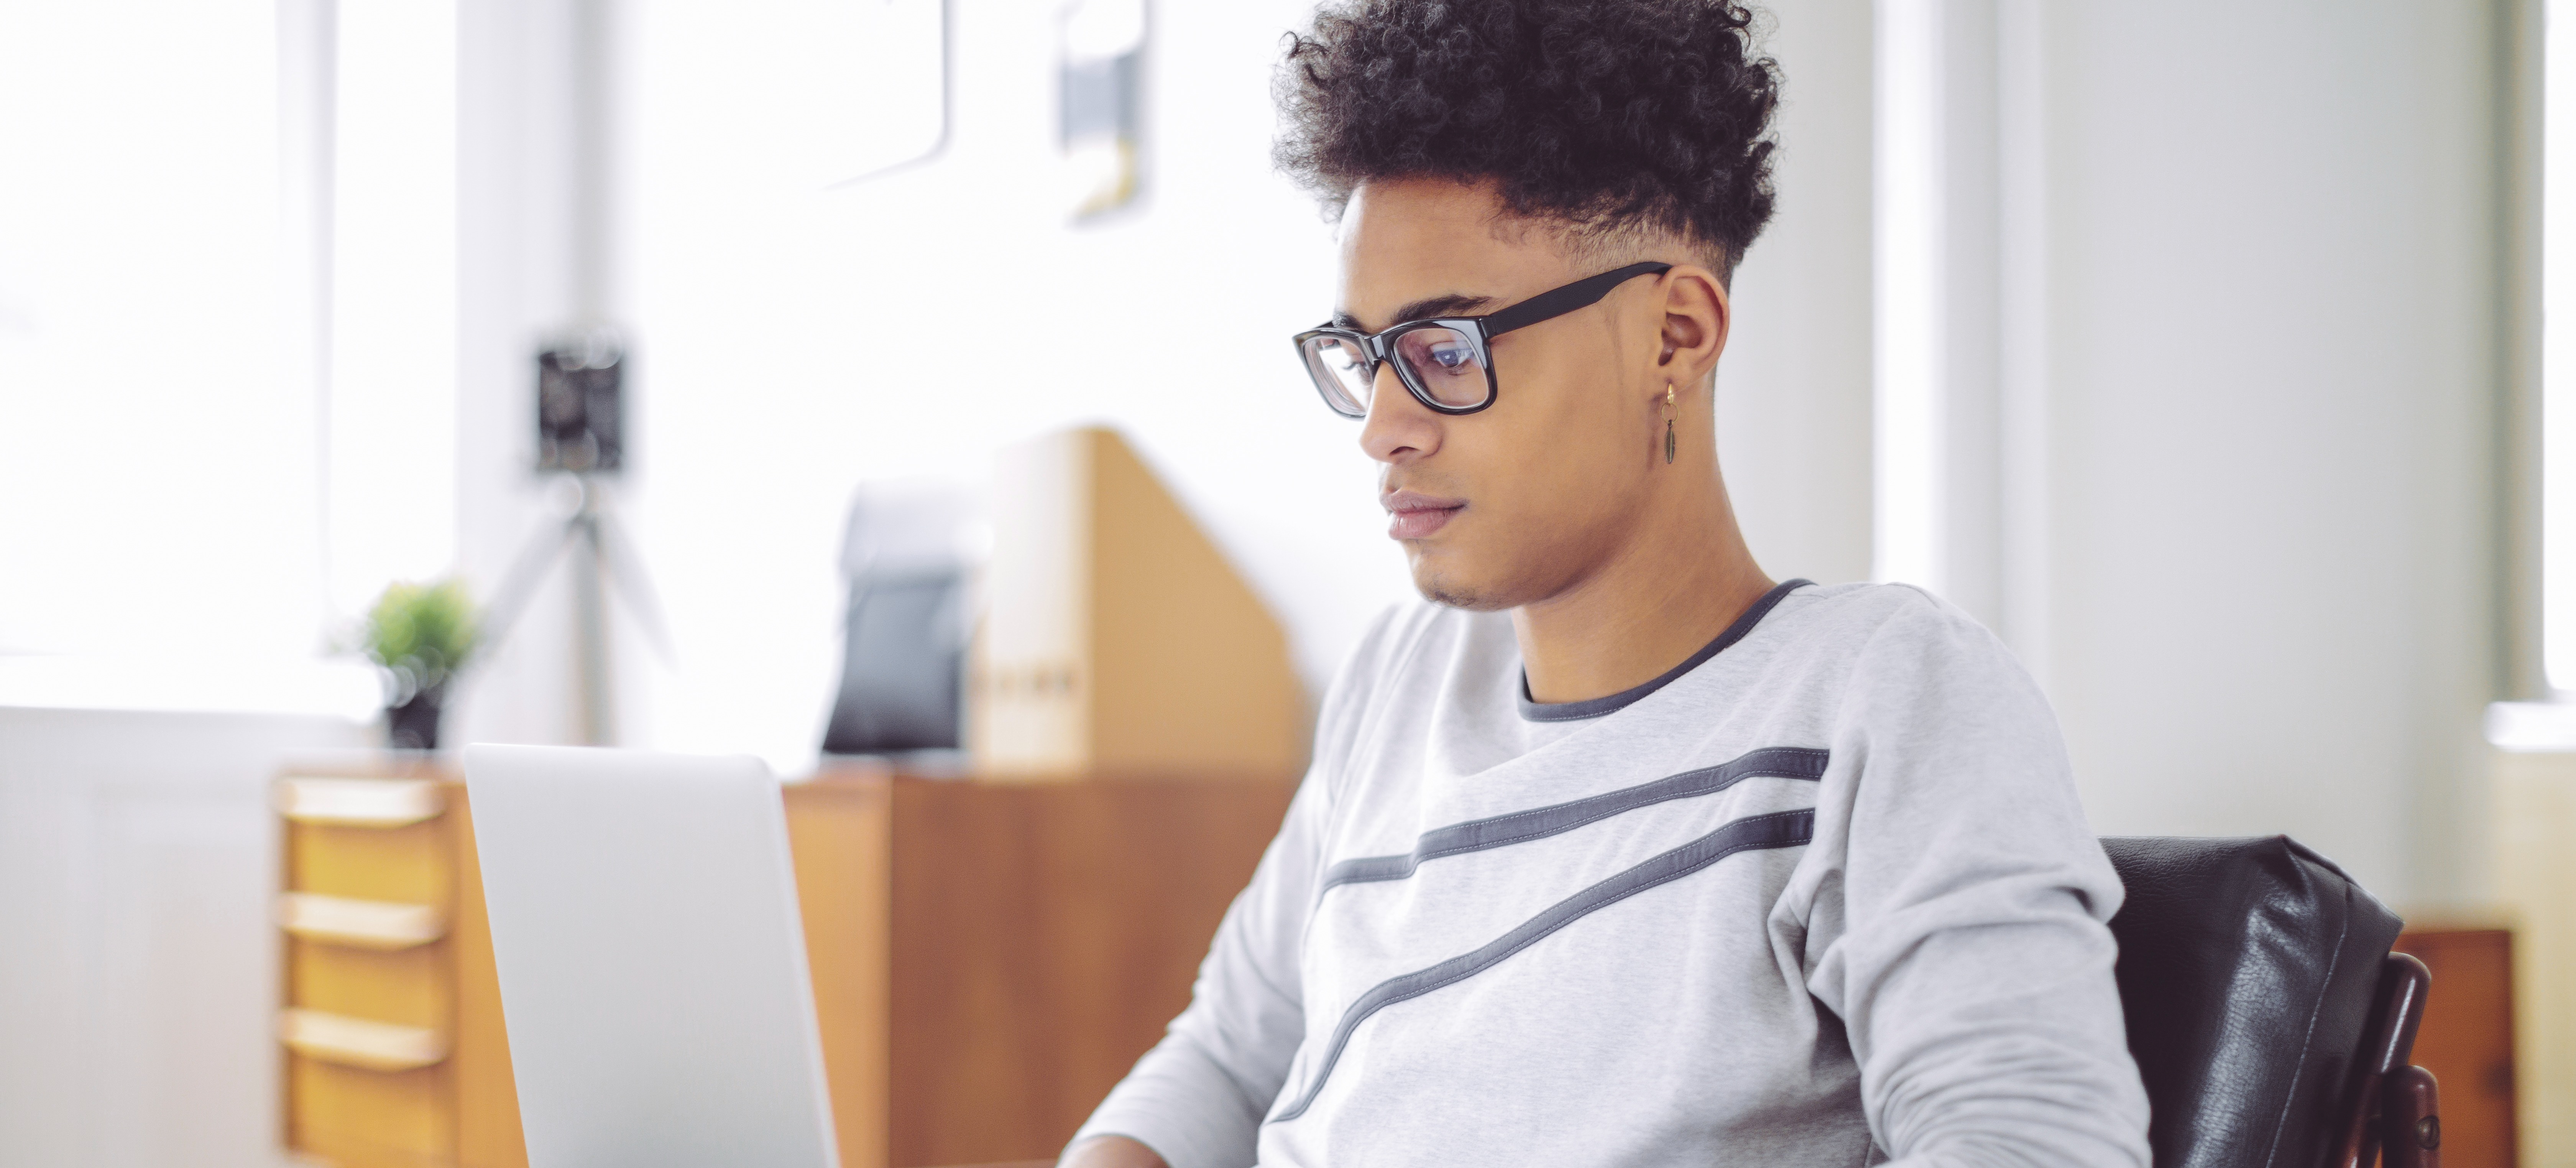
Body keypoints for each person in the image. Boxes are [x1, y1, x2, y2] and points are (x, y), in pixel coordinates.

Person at [1063, 1, 2151, 1164]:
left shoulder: (1882, 698)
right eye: (1365, 357)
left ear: (1676, 337)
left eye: (1445, 352)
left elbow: (2029, 1140)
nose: (1383, 426)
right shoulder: (1399, 684)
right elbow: (1228, 1058)